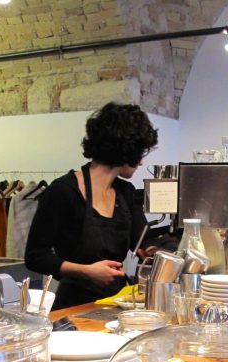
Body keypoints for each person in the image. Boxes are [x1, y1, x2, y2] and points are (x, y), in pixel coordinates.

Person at [24, 102, 158, 310]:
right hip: (73, 307)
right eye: (140, 152)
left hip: (116, 303)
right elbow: (35, 256)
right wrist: (87, 271)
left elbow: (143, 239)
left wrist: (153, 250)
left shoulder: (126, 193)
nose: (141, 162)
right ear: (126, 148)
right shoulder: (63, 192)